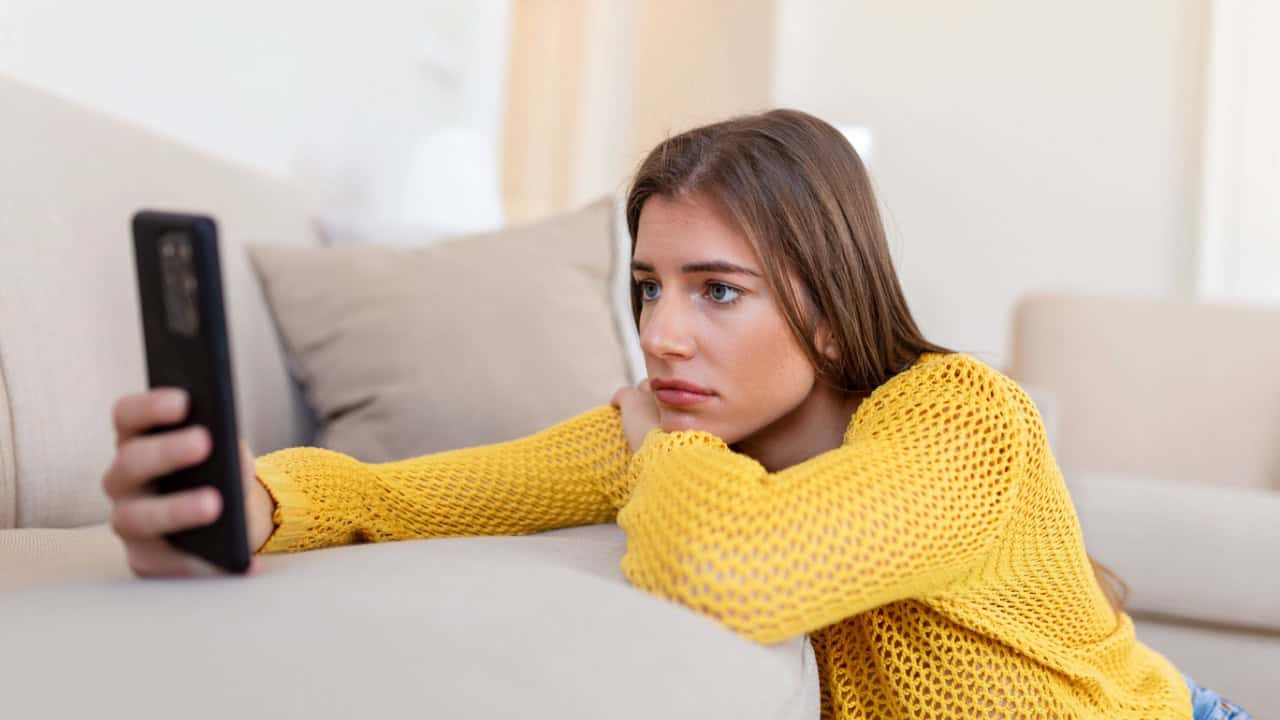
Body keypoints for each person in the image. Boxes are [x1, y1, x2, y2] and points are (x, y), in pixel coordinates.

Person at [102, 109, 1251, 719]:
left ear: (836, 310)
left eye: (718, 290)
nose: (660, 333)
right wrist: (246, 498)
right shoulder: (672, 425)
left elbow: (734, 569)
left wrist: (670, 448)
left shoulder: (959, 417)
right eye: (648, 286)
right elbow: (411, 491)